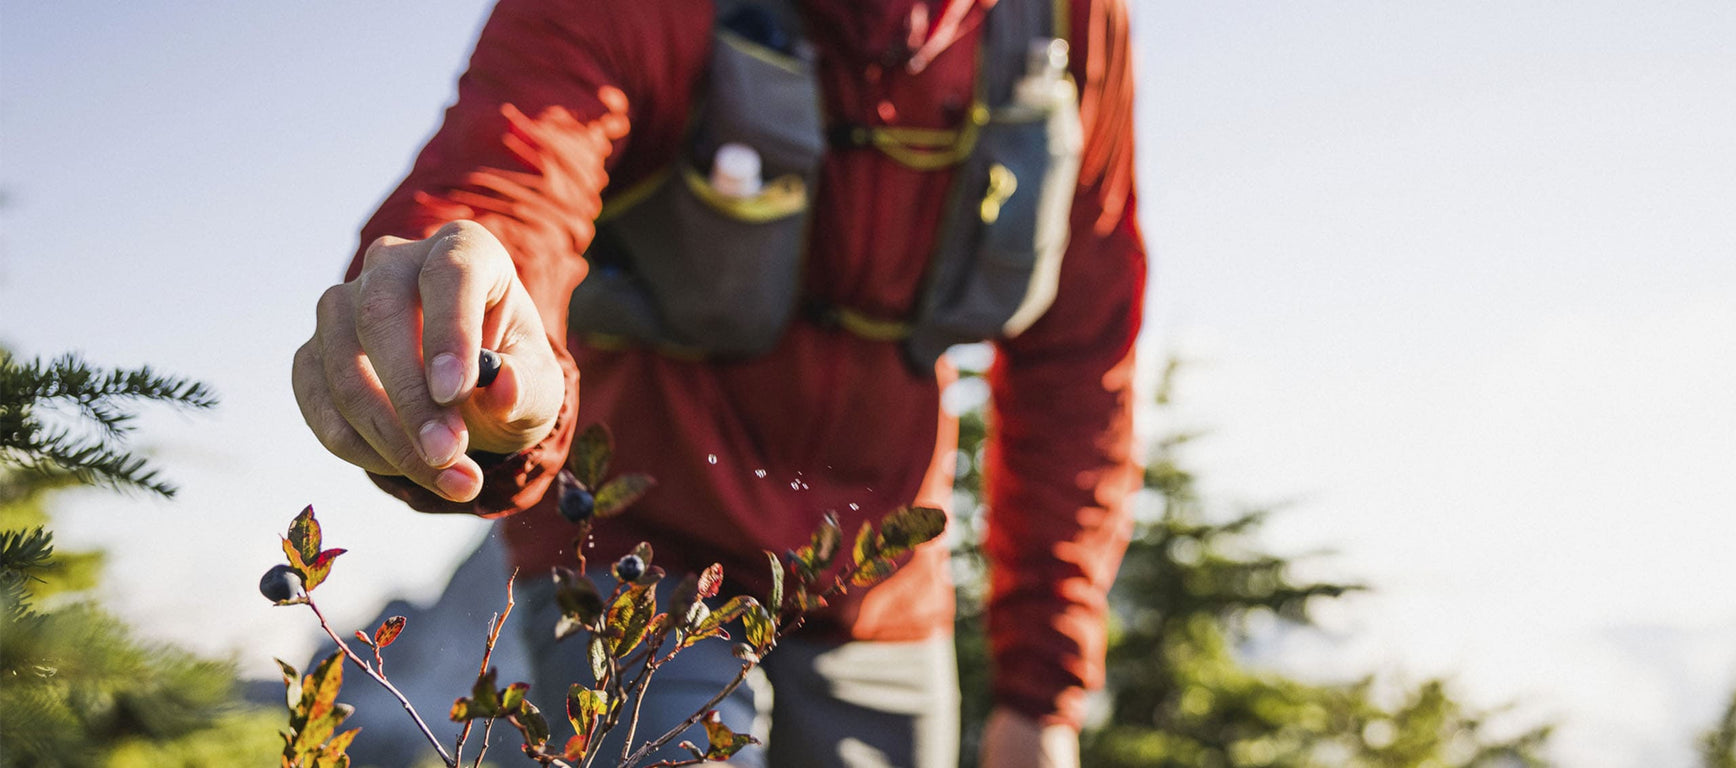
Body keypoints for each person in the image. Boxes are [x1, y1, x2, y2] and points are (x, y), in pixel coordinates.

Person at [291, 0, 1143, 765]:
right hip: (635, 557)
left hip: (879, 596)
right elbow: (515, 172)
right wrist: (470, 321)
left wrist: (1042, 695)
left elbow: (1080, 356)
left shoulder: (1067, 22)